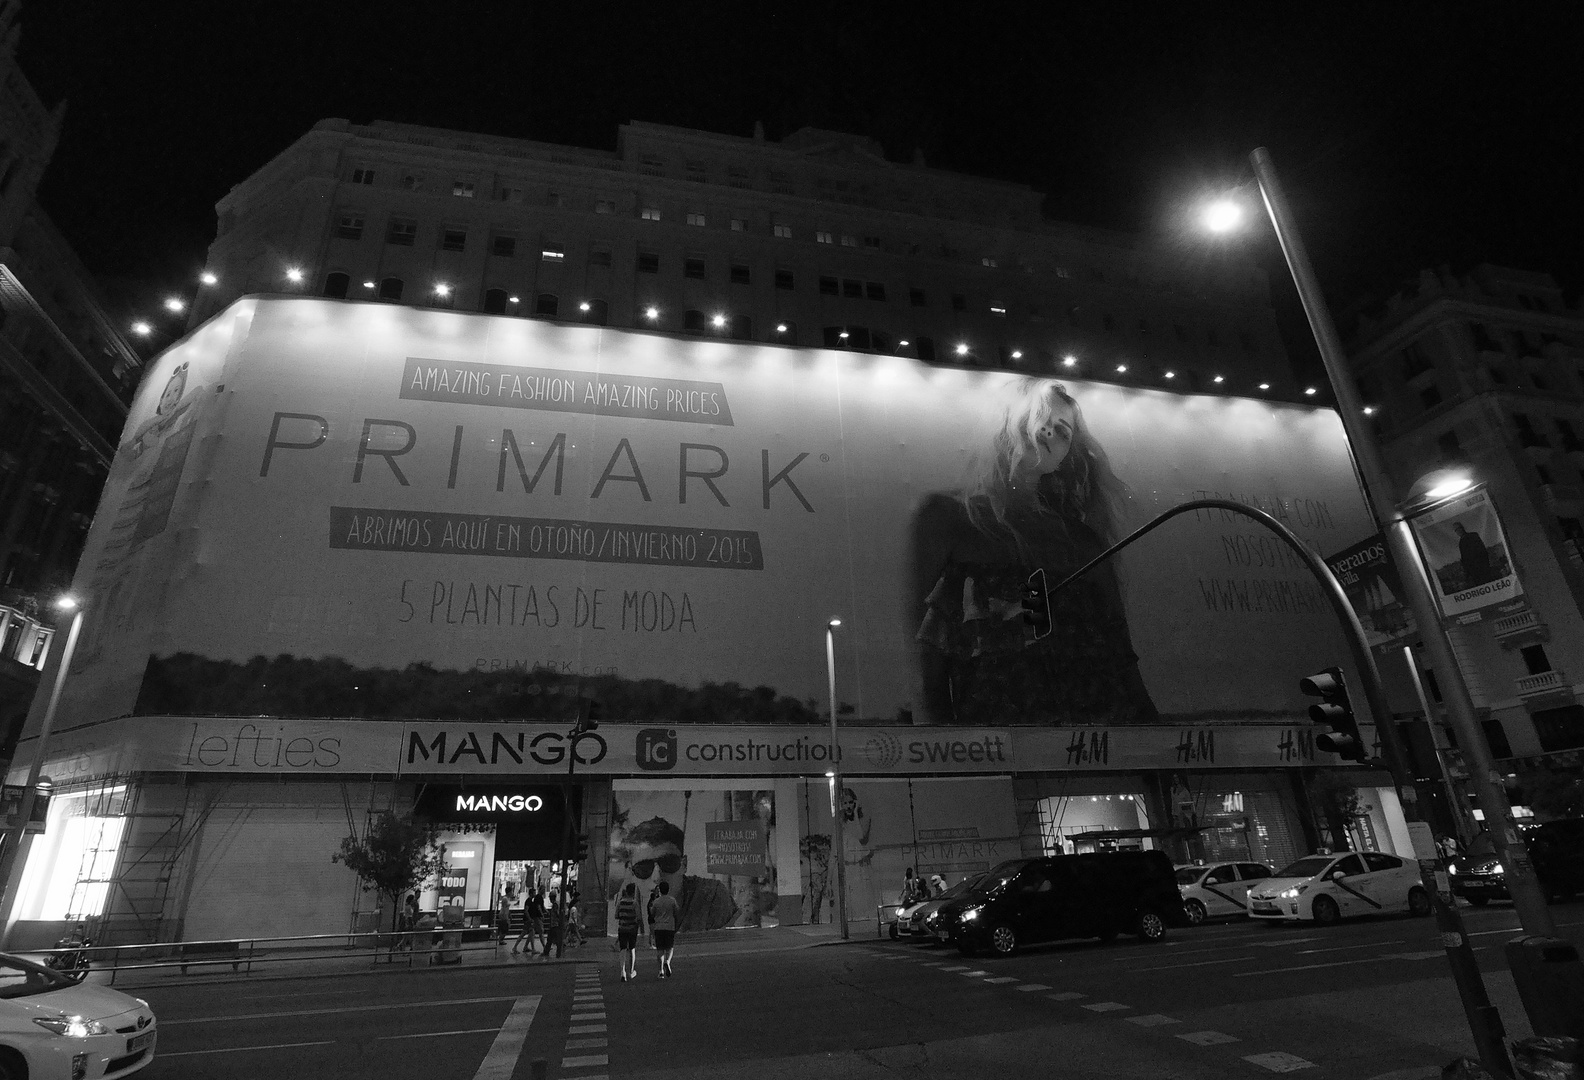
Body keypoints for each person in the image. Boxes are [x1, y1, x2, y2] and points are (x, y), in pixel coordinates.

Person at [910, 377, 1158, 726]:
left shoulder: (1081, 540)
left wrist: (1156, 738)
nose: (1049, 432)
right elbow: (928, 645)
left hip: (1093, 726)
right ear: (1008, 420)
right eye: (1041, 416)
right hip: (998, 733)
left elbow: (1119, 651)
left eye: (1063, 430)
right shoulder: (950, 517)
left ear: (1067, 454)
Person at [618, 817, 738, 931]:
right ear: (631, 871)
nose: (657, 877)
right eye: (643, 869)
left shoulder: (711, 896)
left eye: (668, 863)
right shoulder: (626, 900)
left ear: (684, 865)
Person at [649, 879, 682, 979]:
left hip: (658, 927)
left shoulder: (656, 901)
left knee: (660, 949)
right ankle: (668, 961)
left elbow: (652, 913)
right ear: (668, 890)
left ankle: (660, 971)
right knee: (669, 947)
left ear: (660, 890)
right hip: (669, 927)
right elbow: (677, 912)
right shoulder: (672, 900)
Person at [614, 881, 646, 982]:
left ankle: (622, 971)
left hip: (622, 927)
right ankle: (631, 971)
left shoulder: (620, 902)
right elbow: (639, 917)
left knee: (622, 949)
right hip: (632, 928)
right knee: (632, 949)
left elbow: (616, 915)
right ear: (633, 892)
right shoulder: (634, 903)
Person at [1455, 522, 1493, 587]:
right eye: (1456, 530)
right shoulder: (1461, 543)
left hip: (1482, 566)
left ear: (1462, 528)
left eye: (1459, 528)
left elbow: (1482, 549)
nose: (1458, 531)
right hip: (1473, 571)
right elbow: (1464, 557)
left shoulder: (1473, 535)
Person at [512, 886, 540, 956]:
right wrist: (529, 918)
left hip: (529, 920)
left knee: (530, 933)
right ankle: (516, 947)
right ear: (531, 894)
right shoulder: (529, 901)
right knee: (526, 933)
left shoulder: (530, 901)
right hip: (528, 920)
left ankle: (525, 947)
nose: (535, 894)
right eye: (534, 893)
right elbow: (526, 910)